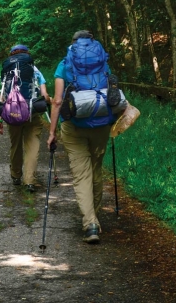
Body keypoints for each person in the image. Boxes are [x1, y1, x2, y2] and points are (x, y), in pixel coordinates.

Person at [47, 30, 115, 244]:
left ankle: (90, 224)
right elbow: (111, 92)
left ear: (73, 43)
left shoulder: (65, 64)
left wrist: (52, 132)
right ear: (92, 42)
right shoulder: (102, 61)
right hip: (102, 124)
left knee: (81, 175)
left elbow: (57, 101)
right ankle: (94, 217)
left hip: (74, 125)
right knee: (96, 169)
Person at [0, 44, 51, 193]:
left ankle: (15, 175)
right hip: (32, 113)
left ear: (11, 55)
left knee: (15, 145)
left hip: (13, 113)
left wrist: (0, 119)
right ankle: (29, 181)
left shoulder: (6, 72)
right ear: (27, 54)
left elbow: (3, 96)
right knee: (32, 147)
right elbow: (45, 96)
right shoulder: (34, 69)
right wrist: (48, 100)